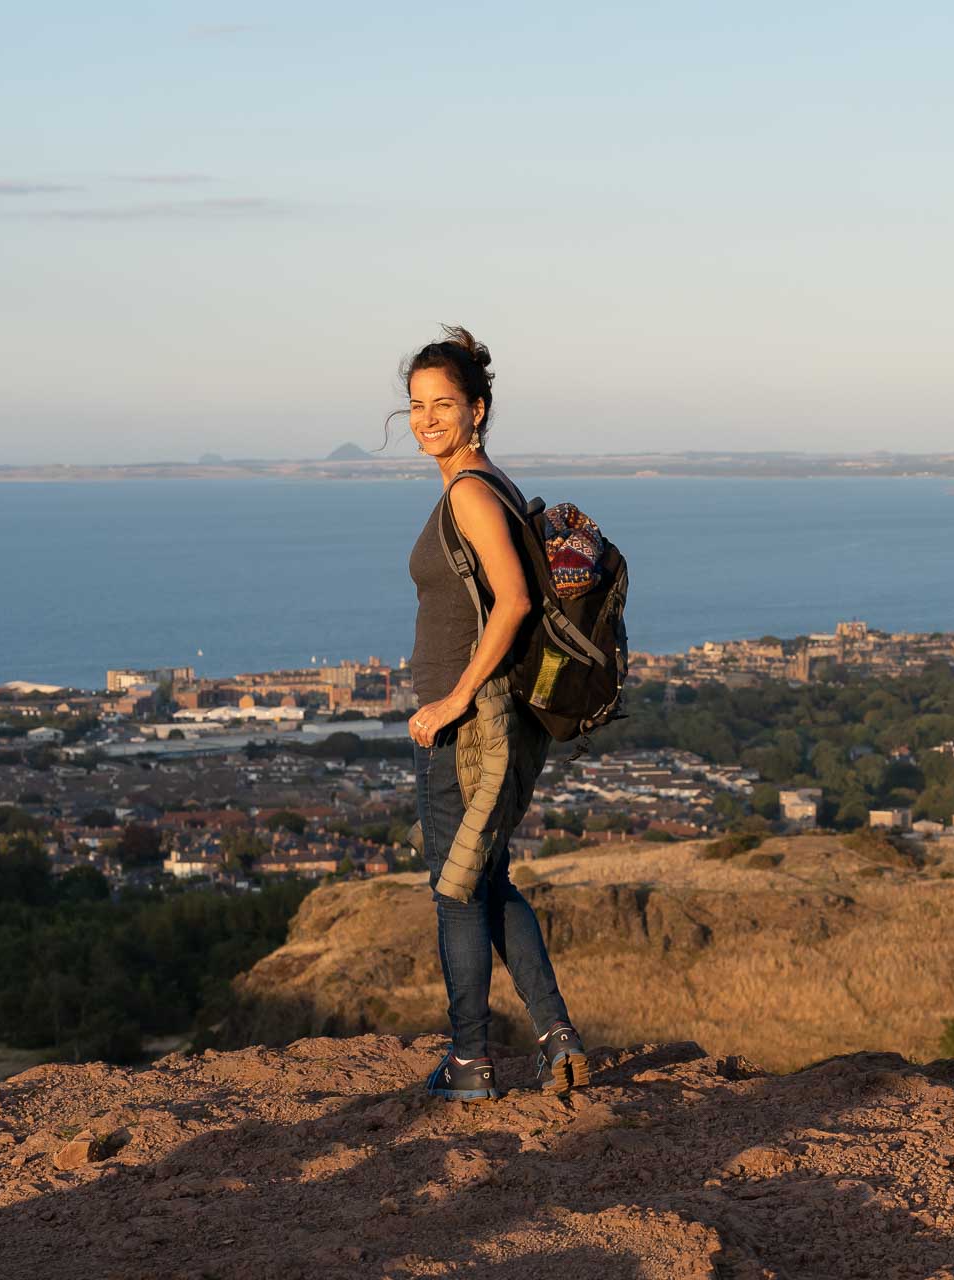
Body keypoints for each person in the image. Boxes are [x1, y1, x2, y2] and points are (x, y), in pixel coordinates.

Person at [401, 326, 587, 1100]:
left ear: (478, 409)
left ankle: (472, 1062)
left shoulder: (472, 492)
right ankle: (558, 1038)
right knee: (489, 883)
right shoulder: (489, 485)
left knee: (456, 893)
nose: (427, 419)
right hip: (488, 724)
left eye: (444, 404)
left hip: (468, 731)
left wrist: (452, 698)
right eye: (416, 405)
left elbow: (511, 602)